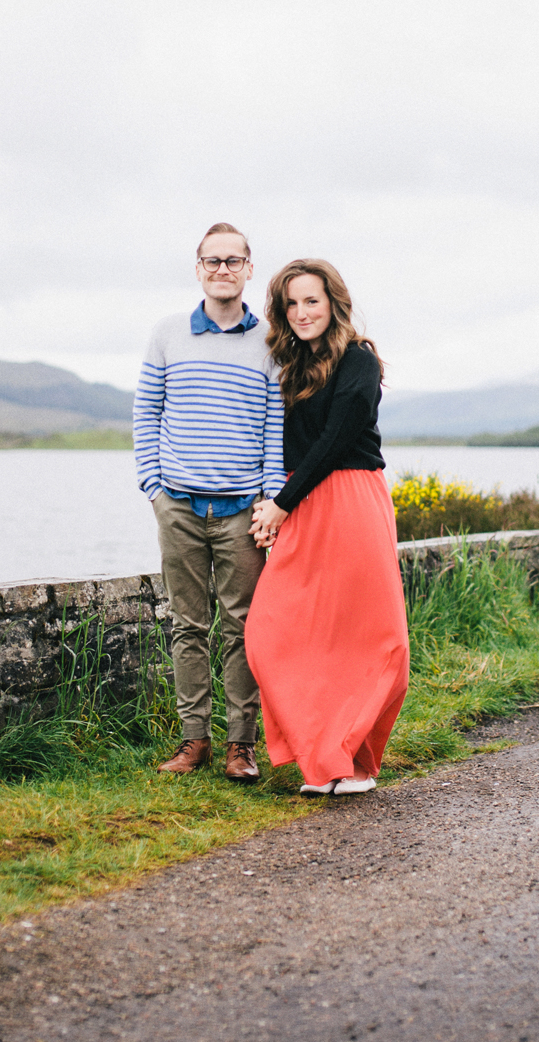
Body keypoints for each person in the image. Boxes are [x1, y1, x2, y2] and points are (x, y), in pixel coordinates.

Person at [245, 259, 410, 796]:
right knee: (275, 629)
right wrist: (272, 498)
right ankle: (323, 751)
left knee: (363, 632)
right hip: (303, 500)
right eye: (291, 303)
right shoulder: (290, 365)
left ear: (333, 303)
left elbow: (339, 437)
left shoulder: (358, 360)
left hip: (350, 498)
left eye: (311, 300)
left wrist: (281, 504)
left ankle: (355, 764)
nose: (301, 312)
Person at [133, 223, 285, 781]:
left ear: (249, 268)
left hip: (242, 509)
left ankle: (240, 746)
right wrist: (153, 486)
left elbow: (275, 427)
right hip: (178, 503)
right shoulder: (168, 334)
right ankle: (193, 740)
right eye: (212, 261)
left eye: (234, 261)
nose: (223, 270)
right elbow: (146, 413)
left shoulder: (270, 341)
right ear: (198, 268)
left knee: (243, 628)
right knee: (187, 626)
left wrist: (270, 498)